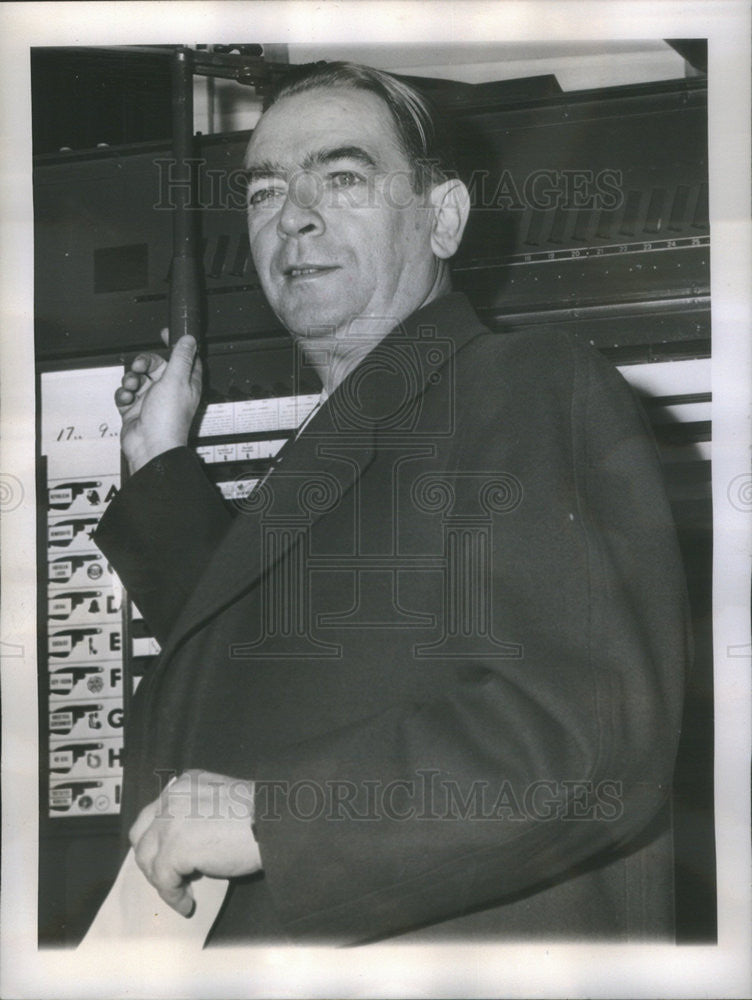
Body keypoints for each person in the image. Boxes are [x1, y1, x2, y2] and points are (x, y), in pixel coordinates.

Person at [94, 61, 690, 944]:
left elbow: (585, 735)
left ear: (442, 219)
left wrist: (275, 819)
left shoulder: (524, 385)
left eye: (341, 177)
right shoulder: (352, 436)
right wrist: (160, 463)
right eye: (264, 194)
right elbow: (271, 674)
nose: (293, 215)